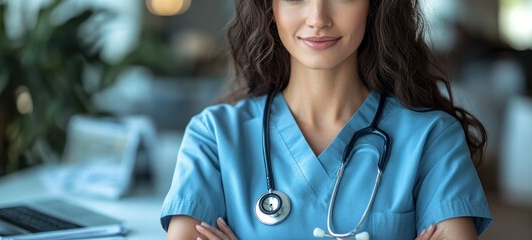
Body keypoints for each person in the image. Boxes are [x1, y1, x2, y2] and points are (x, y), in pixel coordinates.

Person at [160, 0, 493, 239]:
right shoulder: (214, 136)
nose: (318, 17)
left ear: (374, 6)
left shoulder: (433, 138)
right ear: (270, 8)